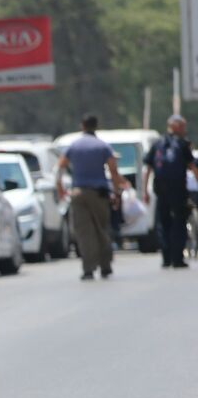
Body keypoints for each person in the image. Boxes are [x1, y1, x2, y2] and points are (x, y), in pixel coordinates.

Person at [56, 115, 127, 281]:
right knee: (102, 230)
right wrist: (116, 192)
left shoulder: (73, 146)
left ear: (82, 126)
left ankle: (88, 268)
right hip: (98, 194)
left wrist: (60, 188)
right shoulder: (103, 147)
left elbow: (60, 167)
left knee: (84, 232)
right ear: (96, 126)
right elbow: (113, 171)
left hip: (78, 193)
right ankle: (105, 266)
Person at [142, 115, 198, 269]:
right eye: (182, 126)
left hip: (161, 190)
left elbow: (147, 169)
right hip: (178, 190)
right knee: (179, 223)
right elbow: (193, 167)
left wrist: (145, 191)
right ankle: (177, 258)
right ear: (175, 126)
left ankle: (166, 258)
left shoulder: (157, 143)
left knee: (164, 223)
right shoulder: (182, 144)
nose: (184, 130)